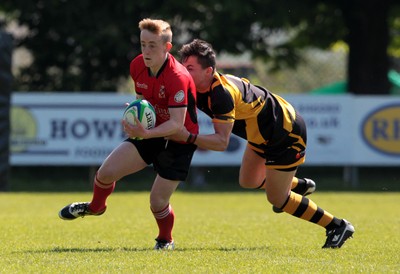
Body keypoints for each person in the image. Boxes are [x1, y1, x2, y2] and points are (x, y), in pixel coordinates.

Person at [173, 39, 354, 248]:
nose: (184, 73)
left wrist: (186, 136)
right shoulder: (196, 87)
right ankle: (300, 185)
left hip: (286, 133)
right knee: (248, 180)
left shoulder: (221, 94)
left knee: (278, 199)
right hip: (262, 134)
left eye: (190, 68)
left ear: (208, 71)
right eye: (183, 67)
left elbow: (221, 142)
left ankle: (336, 226)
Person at [58, 18, 198, 251]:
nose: (146, 51)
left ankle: (165, 240)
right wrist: (136, 112)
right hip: (150, 132)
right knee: (105, 173)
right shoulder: (137, 66)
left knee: (157, 202)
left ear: (167, 47)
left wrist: (146, 130)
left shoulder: (178, 77)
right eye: (143, 44)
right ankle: (95, 207)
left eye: (152, 45)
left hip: (178, 140)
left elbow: (176, 125)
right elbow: (142, 100)